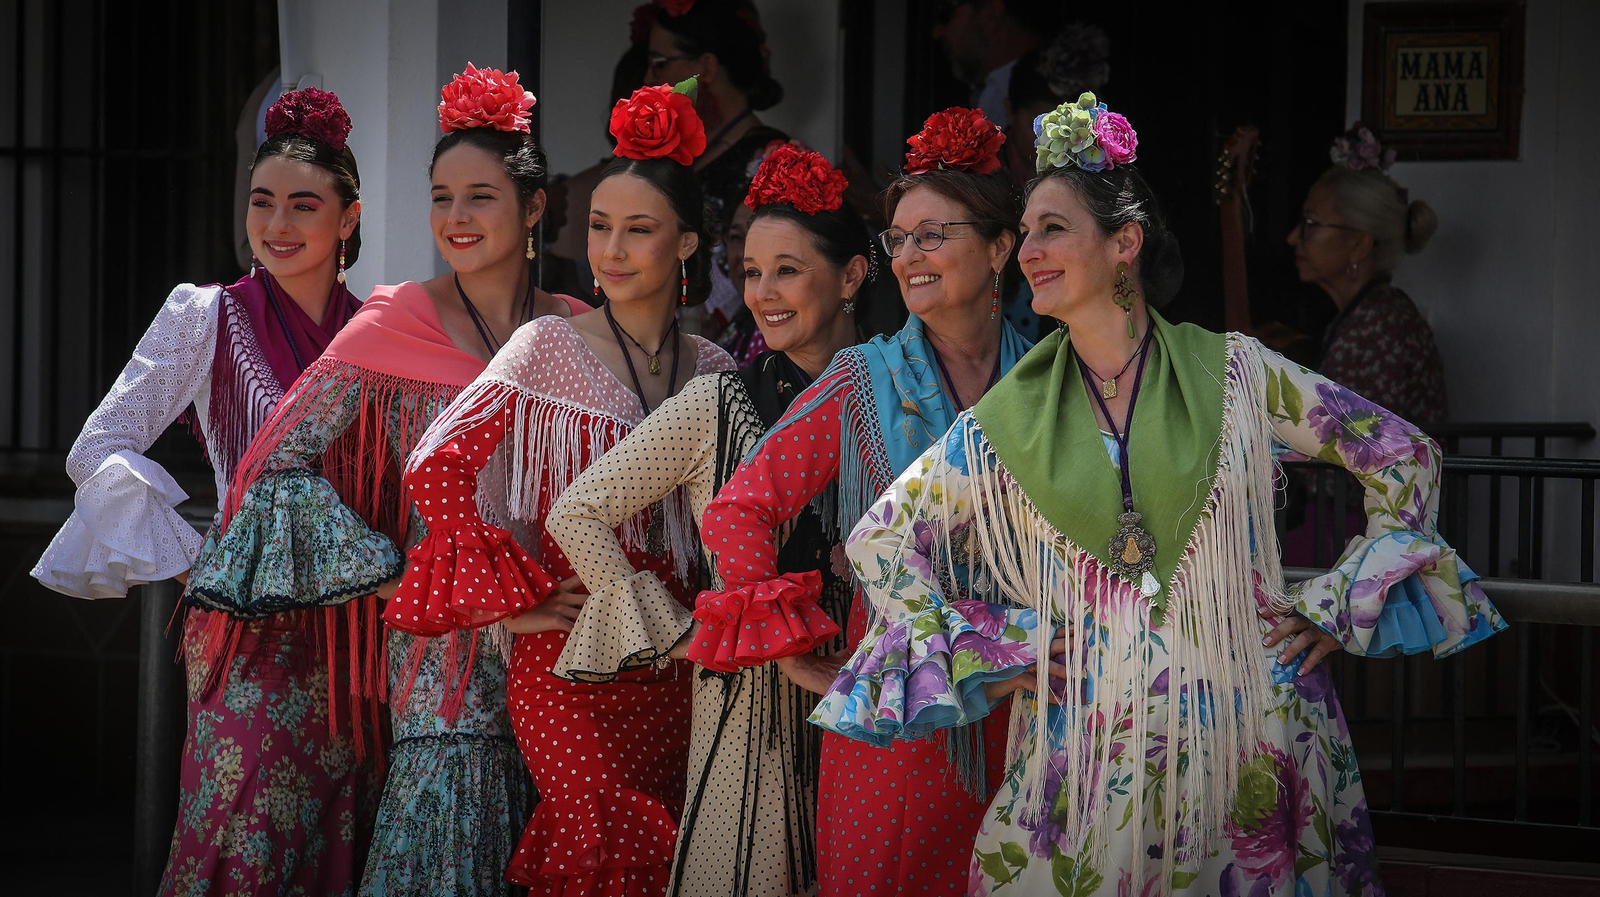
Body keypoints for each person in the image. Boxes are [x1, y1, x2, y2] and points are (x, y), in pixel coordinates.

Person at [826, 92, 1506, 896]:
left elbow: (1403, 454)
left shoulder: (1237, 373)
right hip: (1093, 747)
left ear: (1125, 242)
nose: (1030, 251)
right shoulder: (1008, 418)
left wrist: (1337, 604)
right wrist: (996, 647)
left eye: (1054, 228)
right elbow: (879, 538)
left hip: (1251, 733)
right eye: (1027, 231)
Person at [185, 65, 585, 897]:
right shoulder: (397, 320)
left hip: (569, 638)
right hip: (448, 654)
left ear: (534, 207)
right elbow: (274, 463)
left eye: (479, 197)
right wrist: (409, 580)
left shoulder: (580, 329)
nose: (455, 218)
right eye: (441, 198)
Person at [389, 78, 735, 895]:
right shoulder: (545, 345)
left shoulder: (715, 369)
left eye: (639, 229)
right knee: (598, 852)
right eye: (600, 225)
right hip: (569, 663)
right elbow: (436, 464)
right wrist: (511, 601)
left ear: (687, 243)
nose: (610, 249)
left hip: (679, 662)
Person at [33, 87, 366, 895]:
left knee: (336, 851)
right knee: (237, 842)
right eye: (261, 201)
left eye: (303, 205)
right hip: (245, 634)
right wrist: (197, 558)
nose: (277, 223)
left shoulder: (376, 332)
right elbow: (97, 449)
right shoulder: (206, 317)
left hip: (356, 638)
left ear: (348, 219)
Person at [696, 107, 1031, 896]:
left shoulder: (1049, 381)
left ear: (1000, 247)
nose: (908, 257)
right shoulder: (863, 379)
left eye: (931, 235)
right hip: (900, 721)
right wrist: (786, 647)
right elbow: (738, 508)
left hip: (1025, 712)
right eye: (898, 239)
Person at [543, 145, 871, 897]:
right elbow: (577, 510)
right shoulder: (719, 402)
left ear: (852, 275)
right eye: (751, 272)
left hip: (872, 694)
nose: (763, 294)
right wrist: (681, 633)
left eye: (786, 270)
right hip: (751, 716)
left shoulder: (895, 393)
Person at [645, 0, 790, 351]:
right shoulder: (680, 159)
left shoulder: (774, 163)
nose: (650, 79)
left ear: (706, 67)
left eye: (659, 63)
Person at [1291, 123, 1446, 423]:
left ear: (1359, 246)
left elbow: (1351, 442)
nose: (1293, 237)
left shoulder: (1377, 330)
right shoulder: (1372, 315)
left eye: (1311, 224)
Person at [999, 22, 1111, 341]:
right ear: (1009, 111)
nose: (1050, 141)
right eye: (1038, 125)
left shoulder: (1089, 178)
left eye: (1063, 131)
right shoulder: (986, 180)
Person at [933, 0, 1064, 126]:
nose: (937, 33)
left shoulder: (1058, 92)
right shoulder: (981, 91)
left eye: (946, 16)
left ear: (992, 14)